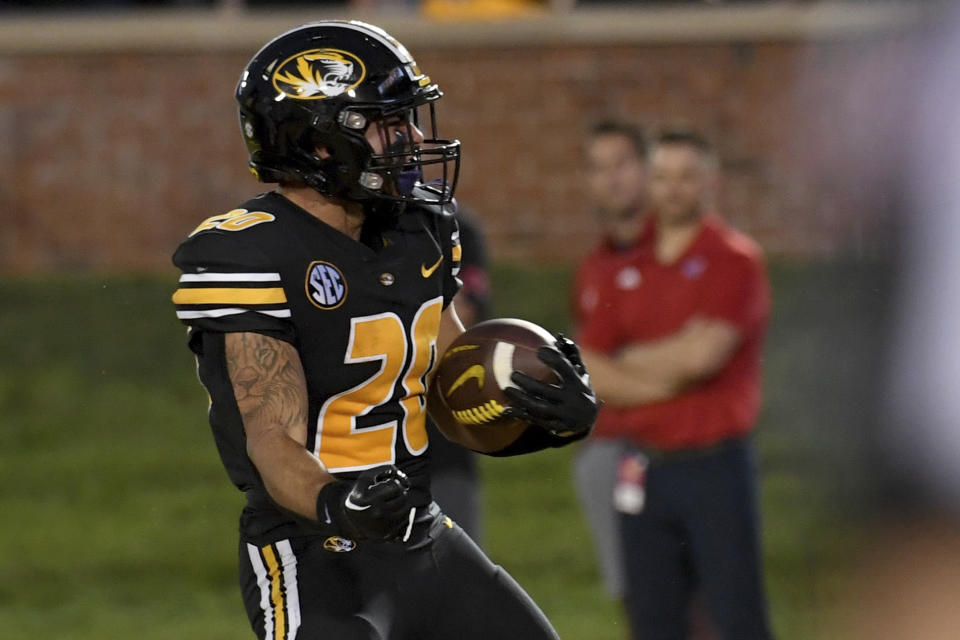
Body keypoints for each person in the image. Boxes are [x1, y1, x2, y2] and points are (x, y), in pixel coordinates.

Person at [170, 20, 598, 640]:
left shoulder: (416, 224)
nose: (413, 139)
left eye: (409, 120)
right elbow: (272, 441)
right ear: (320, 143)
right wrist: (340, 504)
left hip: (418, 530)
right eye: (388, 123)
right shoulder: (252, 252)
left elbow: (452, 384)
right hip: (310, 545)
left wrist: (536, 409)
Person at [577, 127, 775, 640]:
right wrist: (667, 364)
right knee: (653, 621)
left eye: (687, 176)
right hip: (640, 468)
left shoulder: (734, 259)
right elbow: (591, 372)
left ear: (712, 182)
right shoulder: (618, 264)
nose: (673, 188)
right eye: (663, 176)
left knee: (736, 618)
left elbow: (704, 357)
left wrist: (626, 364)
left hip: (713, 467)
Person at [571, 118, 648, 604]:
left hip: (673, 446)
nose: (612, 178)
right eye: (599, 168)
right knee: (638, 599)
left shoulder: (682, 250)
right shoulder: (593, 270)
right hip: (611, 453)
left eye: (621, 163)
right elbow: (589, 370)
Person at [425, 204, 492, 543]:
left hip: (443, 437)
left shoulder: (456, 226)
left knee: (458, 570)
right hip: (363, 449)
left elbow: (462, 315)